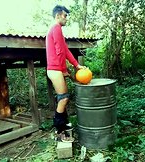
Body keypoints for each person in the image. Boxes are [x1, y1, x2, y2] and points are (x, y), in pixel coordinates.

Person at [46, 5, 85, 141]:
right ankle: (59, 131)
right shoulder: (55, 28)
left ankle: (63, 124)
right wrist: (63, 70)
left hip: (57, 68)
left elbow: (65, 50)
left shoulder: (58, 30)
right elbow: (59, 52)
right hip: (55, 69)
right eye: (65, 16)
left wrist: (76, 65)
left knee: (63, 98)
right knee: (63, 98)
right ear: (58, 16)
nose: (66, 18)